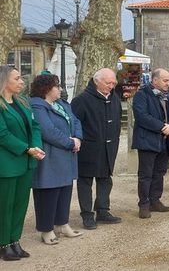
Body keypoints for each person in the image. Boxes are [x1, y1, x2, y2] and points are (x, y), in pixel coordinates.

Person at [29, 73, 83, 244]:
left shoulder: (61, 104)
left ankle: (62, 223)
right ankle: (46, 229)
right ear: (46, 89)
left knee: (65, 191)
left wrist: (78, 138)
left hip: (66, 155)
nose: (60, 89)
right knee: (48, 193)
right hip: (50, 157)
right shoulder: (37, 106)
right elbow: (48, 131)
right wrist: (70, 142)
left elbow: (75, 121)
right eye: (57, 86)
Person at [0, 66, 45, 261]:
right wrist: (26, 149)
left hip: (26, 162)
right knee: (5, 206)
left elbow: (34, 126)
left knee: (20, 205)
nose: (21, 82)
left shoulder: (22, 102)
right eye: (17, 78)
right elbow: (2, 134)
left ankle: (14, 240)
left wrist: (35, 146)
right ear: (4, 81)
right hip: (7, 163)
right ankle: (3, 243)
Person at [70, 68, 123, 229]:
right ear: (96, 81)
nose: (111, 86)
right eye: (108, 83)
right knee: (85, 181)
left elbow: (118, 122)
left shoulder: (114, 99)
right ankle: (87, 215)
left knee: (105, 180)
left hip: (109, 147)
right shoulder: (81, 100)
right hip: (88, 148)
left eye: (114, 83)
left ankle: (103, 210)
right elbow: (74, 125)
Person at [131, 68, 169, 219]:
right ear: (154, 80)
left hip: (165, 141)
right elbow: (141, 116)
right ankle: (144, 205)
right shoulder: (142, 95)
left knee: (159, 173)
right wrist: (161, 127)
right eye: (165, 80)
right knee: (146, 174)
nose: (168, 83)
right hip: (148, 140)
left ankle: (155, 200)